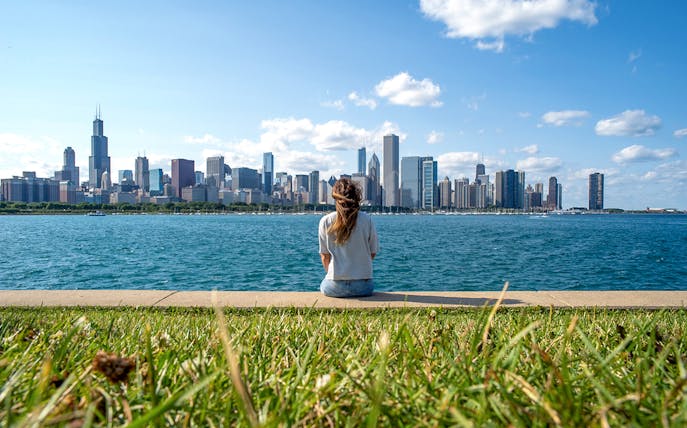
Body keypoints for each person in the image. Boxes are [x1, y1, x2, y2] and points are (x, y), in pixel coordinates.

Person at [318, 178, 379, 297]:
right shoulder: (367, 220)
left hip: (334, 287)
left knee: (323, 285)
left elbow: (325, 257)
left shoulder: (325, 221)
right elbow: (372, 253)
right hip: (364, 287)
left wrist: (335, 275)